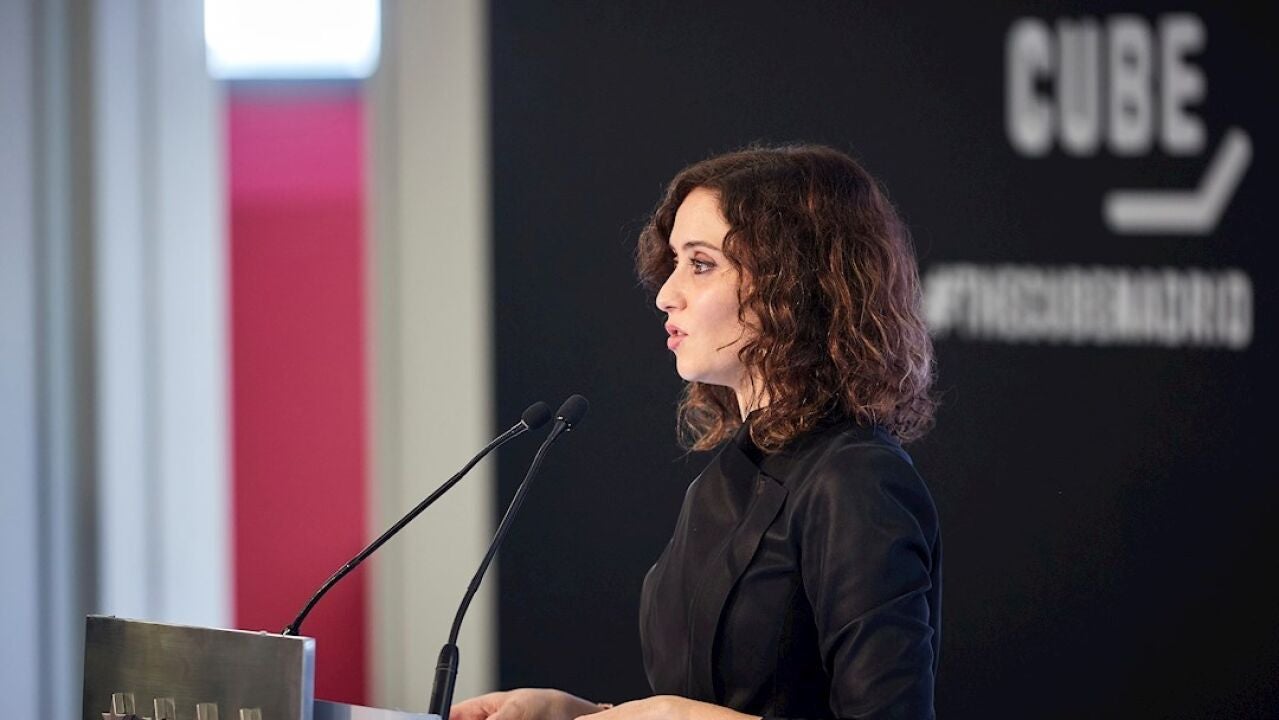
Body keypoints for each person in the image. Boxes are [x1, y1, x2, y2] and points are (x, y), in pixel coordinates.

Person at [452, 144, 941, 720]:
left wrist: (677, 717)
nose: (666, 294)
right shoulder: (726, 479)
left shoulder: (856, 479)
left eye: (701, 264)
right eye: (674, 262)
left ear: (794, 284)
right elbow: (715, 700)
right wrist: (578, 712)